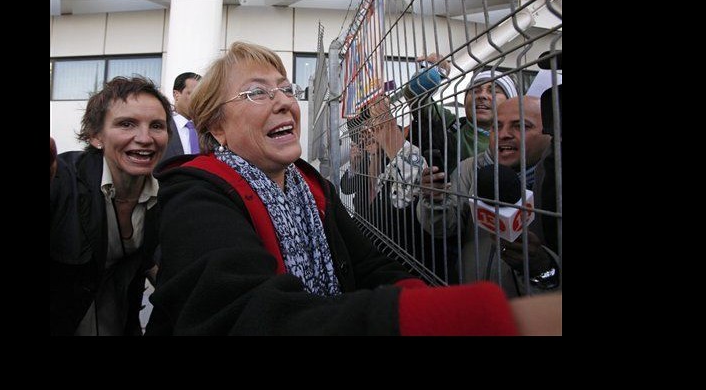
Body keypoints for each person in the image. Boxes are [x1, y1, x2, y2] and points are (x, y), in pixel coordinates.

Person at [145, 41, 561, 335]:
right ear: (217, 126)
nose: (283, 101)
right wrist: (470, 320)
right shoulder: (194, 195)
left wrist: (417, 295)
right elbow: (249, 317)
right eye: (257, 92)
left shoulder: (311, 186)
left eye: (286, 88)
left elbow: (371, 265)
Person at [50, 76, 172, 336]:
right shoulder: (63, 179)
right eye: (126, 124)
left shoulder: (167, 195)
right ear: (96, 136)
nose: (145, 138)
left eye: (157, 126)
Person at [417, 96, 559, 297]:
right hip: (472, 299)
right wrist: (434, 200)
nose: (503, 134)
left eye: (521, 126)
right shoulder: (469, 169)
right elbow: (444, 227)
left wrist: (544, 266)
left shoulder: (555, 181)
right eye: (496, 126)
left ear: (549, 134)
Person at [407, 53, 518, 175]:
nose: (482, 96)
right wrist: (432, 73)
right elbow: (415, 96)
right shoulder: (450, 123)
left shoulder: (520, 141)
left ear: (510, 101)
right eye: (475, 91)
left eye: (493, 91)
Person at [161, 72, 202, 161]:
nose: (199, 100)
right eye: (193, 94)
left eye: (202, 95)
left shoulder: (208, 130)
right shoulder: (162, 126)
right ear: (176, 95)